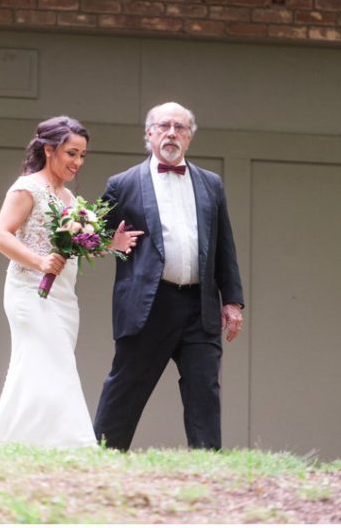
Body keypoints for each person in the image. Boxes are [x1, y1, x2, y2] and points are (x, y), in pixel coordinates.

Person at [0, 116, 141, 447]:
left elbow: (76, 249)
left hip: (64, 297)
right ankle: (77, 444)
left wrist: (110, 244)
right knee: (57, 365)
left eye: (82, 155)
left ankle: (13, 442)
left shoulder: (68, 198)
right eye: (71, 153)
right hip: (29, 292)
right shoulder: (28, 188)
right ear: (49, 150)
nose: (78, 162)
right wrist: (39, 261)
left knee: (38, 367)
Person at [93, 102, 245, 451]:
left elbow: (225, 246)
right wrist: (108, 242)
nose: (171, 133)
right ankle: (103, 456)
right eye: (163, 126)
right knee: (127, 385)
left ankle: (207, 463)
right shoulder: (123, 183)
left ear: (189, 137)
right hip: (149, 303)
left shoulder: (211, 184)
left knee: (204, 387)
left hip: (200, 303)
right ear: (149, 134)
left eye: (180, 127)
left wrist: (233, 301)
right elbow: (92, 237)